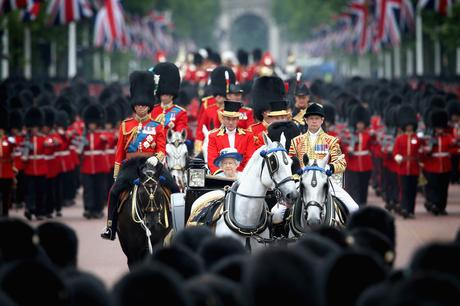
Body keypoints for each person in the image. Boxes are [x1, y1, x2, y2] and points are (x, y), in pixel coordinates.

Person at [101, 71, 172, 241]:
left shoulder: (157, 126)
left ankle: (177, 225)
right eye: (138, 105)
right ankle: (110, 227)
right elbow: (119, 151)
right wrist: (117, 174)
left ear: (149, 106)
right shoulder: (126, 125)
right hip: (131, 166)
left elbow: (162, 148)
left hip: (152, 164)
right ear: (134, 106)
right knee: (115, 191)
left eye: (144, 105)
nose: (141, 107)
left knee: (174, 188)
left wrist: (157, 158)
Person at [289, 103, 359, 213]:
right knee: (277, 213)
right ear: (306, 120)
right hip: (302, 182)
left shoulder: (331, 141)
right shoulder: (296, 141)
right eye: (311, 118)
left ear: (322, 120)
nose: (314, 121)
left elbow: (342, 163)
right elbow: (290, 162)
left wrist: (330, 167)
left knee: (354, 208)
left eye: (317, 118)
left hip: (325, 181)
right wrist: (296, 171)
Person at [206, 100, 255, 174]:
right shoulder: (213, 136)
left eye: (234, 119)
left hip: (242, 175)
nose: (231, 122)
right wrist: (221, 175)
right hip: (221, 176)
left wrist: (240, 174)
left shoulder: (248, 136)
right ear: (223, 119)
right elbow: (212, 160)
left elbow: (250, 158)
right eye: (228, 119)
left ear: (238, 120)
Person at [393, 105, 422, 219]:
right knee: (404, 190)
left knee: (412, 191)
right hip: (403, 168)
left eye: (411, 126)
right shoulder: (400, 138)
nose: (409, 127)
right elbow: (396, 152)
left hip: (414, 168)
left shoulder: (417, 138)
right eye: (408, 126)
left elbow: (420, 152)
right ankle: (405, 208)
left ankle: (411, 210)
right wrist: (399, 159)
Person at [344, 104, 374, 207]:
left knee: (364, 185)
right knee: (354, 186)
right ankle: (356, 204)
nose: (360, 125)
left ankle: (363, 203)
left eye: (361, 124)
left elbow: (372, 147)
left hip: (365, 163)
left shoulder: (368, 135)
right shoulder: (350, 135)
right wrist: (349, 150)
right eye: (358, 124)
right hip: (354, 163)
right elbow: (344, 147)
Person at [150, 62, 188, 134]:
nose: (165, 96)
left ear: (172, 95)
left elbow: (180, 135)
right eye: (163, 94)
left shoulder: (180, 113)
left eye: (167, 94)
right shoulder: (152, 111)